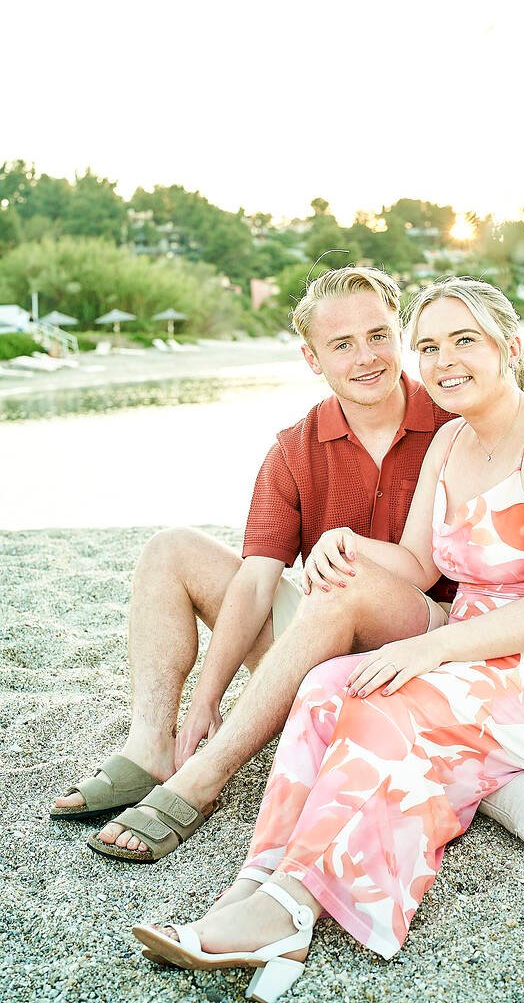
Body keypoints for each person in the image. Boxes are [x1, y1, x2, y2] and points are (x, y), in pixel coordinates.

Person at [130, 276, 524, 1001]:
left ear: (509, 345)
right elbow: (417, 565)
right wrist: (347, 542)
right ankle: (259, 877)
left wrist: (425, 649)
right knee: (324, 686)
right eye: (430, 346)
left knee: (391, 703)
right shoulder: (448, 440)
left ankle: (294, 906)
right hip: (490, 653)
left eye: (463, 340)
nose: (444, 361)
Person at [51, 266, 457, 860]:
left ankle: (207, 775)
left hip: (420, 645)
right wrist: (206, 699)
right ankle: (151, 747)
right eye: (341, 345)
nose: (366, 357)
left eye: (378, 335)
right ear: (312, 358)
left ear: (399, 334)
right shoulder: (294, 448)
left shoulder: (452, 421)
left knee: (343, 577)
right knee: (171, 548)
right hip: (316, 640)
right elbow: (255, 583)